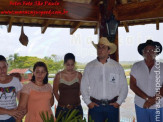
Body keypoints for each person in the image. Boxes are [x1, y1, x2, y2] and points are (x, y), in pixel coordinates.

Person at [80, 37, 128, 122]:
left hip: (112, 107)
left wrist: (119, 102)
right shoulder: (89, 66)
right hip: (95, 107)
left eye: (103, 47)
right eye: (99, 47)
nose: (100, 49)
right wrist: (88, 102)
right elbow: (83, 86)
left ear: (109, 51)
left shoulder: (117, 66)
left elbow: (124, 86)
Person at [130, 40, 163, 122]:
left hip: (159, 105)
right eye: (146, 50)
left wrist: (154, 100)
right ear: (143, 52)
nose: (149, 52)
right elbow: (132, 85)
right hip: (141, 105)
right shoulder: (136, 66)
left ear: (156, 52)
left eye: (152, 50)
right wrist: (148, 99)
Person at [53, 53, 83, 120]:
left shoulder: (79, 75)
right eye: (68, 65)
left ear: (74, 64)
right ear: (64, 64)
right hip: (62, 109)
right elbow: (55, 91)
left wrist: (73, 97)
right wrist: (62, 102)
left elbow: (82, 91)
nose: (70, 67)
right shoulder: (58, 76)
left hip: (76, 109)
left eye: (72, 65)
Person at [0, 55, 23, 122]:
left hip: (14, 118)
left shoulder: (15, 81)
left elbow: (21, 102)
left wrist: (19, 117)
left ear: (7, 65)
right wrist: (9, 112)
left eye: (4, 67)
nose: (2, 70)